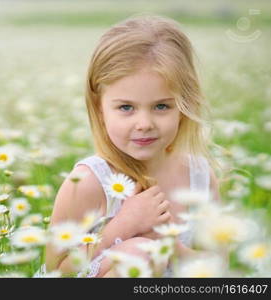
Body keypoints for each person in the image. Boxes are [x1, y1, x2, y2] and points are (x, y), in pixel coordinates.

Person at [35, 14, 222, 278]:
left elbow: (220, 270)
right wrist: (123, 226)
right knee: (140, 254)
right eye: (126, 107)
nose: (144, 123)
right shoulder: (89, 182)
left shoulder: (200, 177)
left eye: (161, 106)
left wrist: (170, 248)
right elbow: (54, 274)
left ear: (184, 106)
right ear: (100, 108)